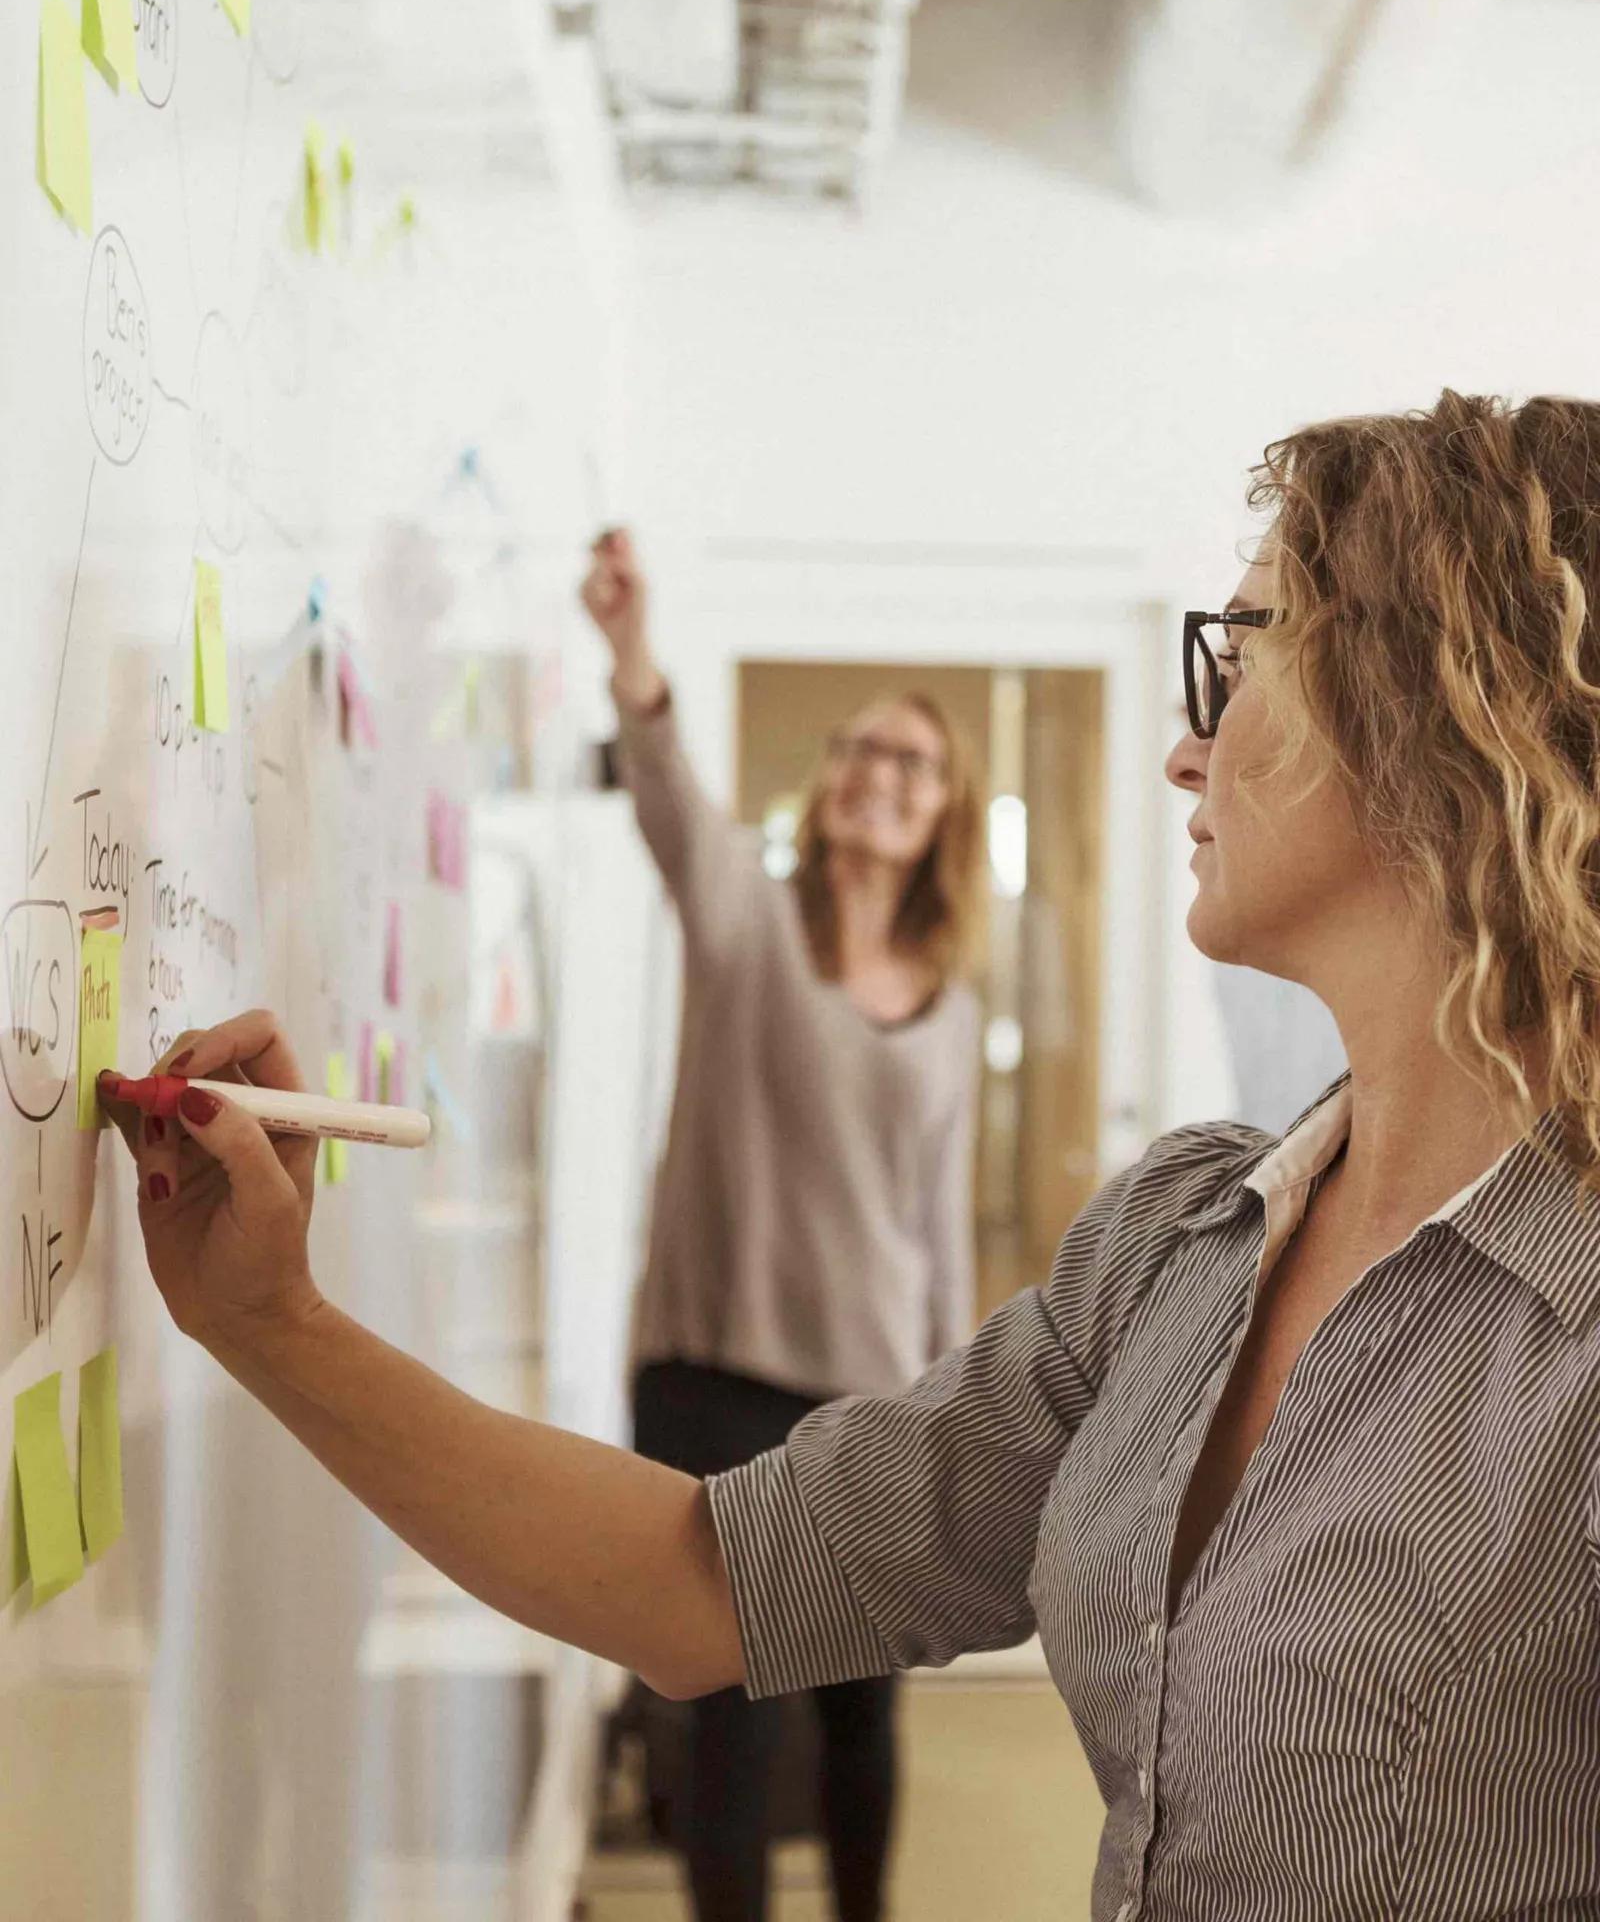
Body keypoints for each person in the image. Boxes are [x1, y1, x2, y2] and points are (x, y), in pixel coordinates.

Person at [105, 389, 1600, 1920]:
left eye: (1240, 652)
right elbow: (699, 1582)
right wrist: (267, 1319)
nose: (1182, 750)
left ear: (1440, 702)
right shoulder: (1181, 1238)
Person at [580, 530, 985, 1920]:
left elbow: (935, 1233)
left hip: (872, 1403)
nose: (880, 775)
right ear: (827, 786)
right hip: (712, 1382)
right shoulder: (745, 925)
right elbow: (669, 803)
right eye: (860, 752)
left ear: (943, 814)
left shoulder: (952, 1010)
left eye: (913, 764)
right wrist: (632, 651)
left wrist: (952, 1412)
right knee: (734, 1721)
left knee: (863, 1718)